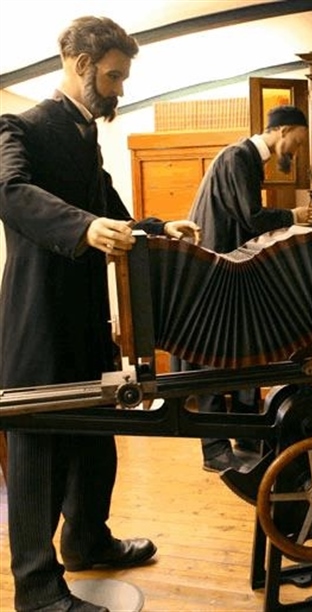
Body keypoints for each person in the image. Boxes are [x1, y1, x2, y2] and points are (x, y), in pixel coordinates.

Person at [0, 16, 203, 612]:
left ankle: (87, 540)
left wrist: (158, 228)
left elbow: (110, 208)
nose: (119, 89)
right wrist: (85, 227)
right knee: (38, 454)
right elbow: (10, 193)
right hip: (38, 322)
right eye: (113, 77)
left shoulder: (85, 136)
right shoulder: (22, 126)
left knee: (94, 438)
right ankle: (37, 591)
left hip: (86, 321)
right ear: (80, 64)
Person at [172, 105, 312, 473]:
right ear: (282, 130)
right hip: (215, 274)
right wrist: (292, 217)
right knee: (215, 358)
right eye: (296, 143)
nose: (295, 152)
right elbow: (251, 217)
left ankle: (247, 436)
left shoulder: (246, 160)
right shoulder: (238, 157)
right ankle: (215, 450)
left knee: (245, 351)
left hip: (229, 272)